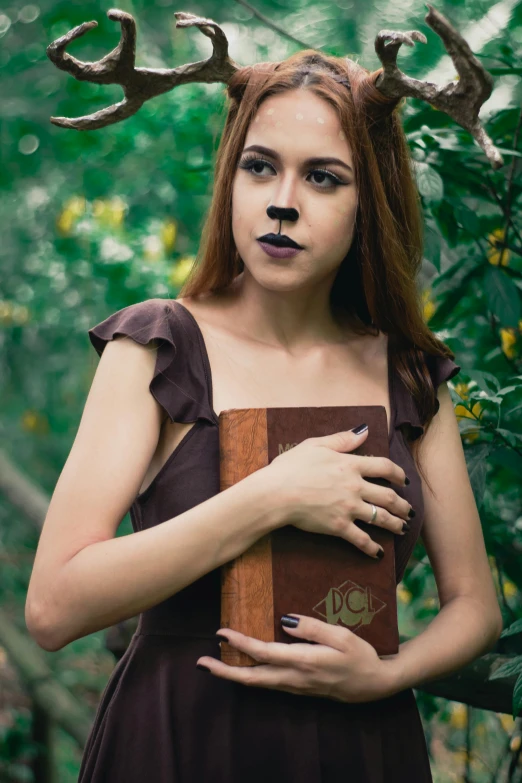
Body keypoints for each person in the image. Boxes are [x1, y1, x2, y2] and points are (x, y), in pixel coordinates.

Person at [26, 50, 502, 782]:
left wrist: (386, 672)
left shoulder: (408, 370)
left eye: (323, 177)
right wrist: (271, 496)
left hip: (363, 745)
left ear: (368, 199)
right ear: (231, 181)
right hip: (178, 739)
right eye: (259, 167)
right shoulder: (158, 345)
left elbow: (475, 605)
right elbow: (54, 607)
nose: (283, 200)